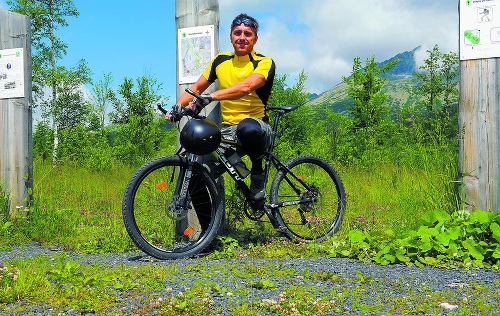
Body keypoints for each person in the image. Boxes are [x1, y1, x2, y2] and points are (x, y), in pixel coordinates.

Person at [167, 13, 276, 202]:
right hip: (228, 131)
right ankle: (208, 229)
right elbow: (196, 88)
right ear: (231, 36)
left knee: (246, 128)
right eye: (237, 33)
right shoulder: (220, 61)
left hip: (257, 128)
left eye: (247, 34)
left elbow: (246, 86)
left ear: (255, 39)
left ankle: (257, 173)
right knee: (198, 174)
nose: (242, 38)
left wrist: (210, 97)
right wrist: (176, 108)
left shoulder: (264, 62)